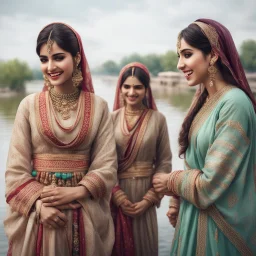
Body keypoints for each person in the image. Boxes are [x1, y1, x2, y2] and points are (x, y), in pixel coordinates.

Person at [4, 22, 117, 256]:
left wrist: (77, 192)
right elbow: (15, 171)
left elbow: (107, 166)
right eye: (44, 60)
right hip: (41, 216)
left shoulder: (99, 107)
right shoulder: (28, 106)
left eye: (58, 57)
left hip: (85, 210)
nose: (50, 67)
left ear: (76, 58)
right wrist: (37, 206)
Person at [153, 18, 256, 255]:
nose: (180, 64)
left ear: (213, 55)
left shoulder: (234, 104)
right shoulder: (205, 101)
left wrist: (170, 182)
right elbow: (193, 160)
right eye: (179, 55)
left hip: (220, 228)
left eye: (187, 54)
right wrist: (176, 200)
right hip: (194, 215)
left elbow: (211, 183)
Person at [111, 62, 172, 256]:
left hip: (146, 193)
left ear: (146, 89)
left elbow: (164, 162)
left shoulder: (158, 119)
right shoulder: (110, 119)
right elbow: (103, 162)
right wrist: (118, 196)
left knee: (144, 247)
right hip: (116, 194)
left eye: (138, 87)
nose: (131, 92)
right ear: (120, 89)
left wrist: (150, 199)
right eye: (127, 86)